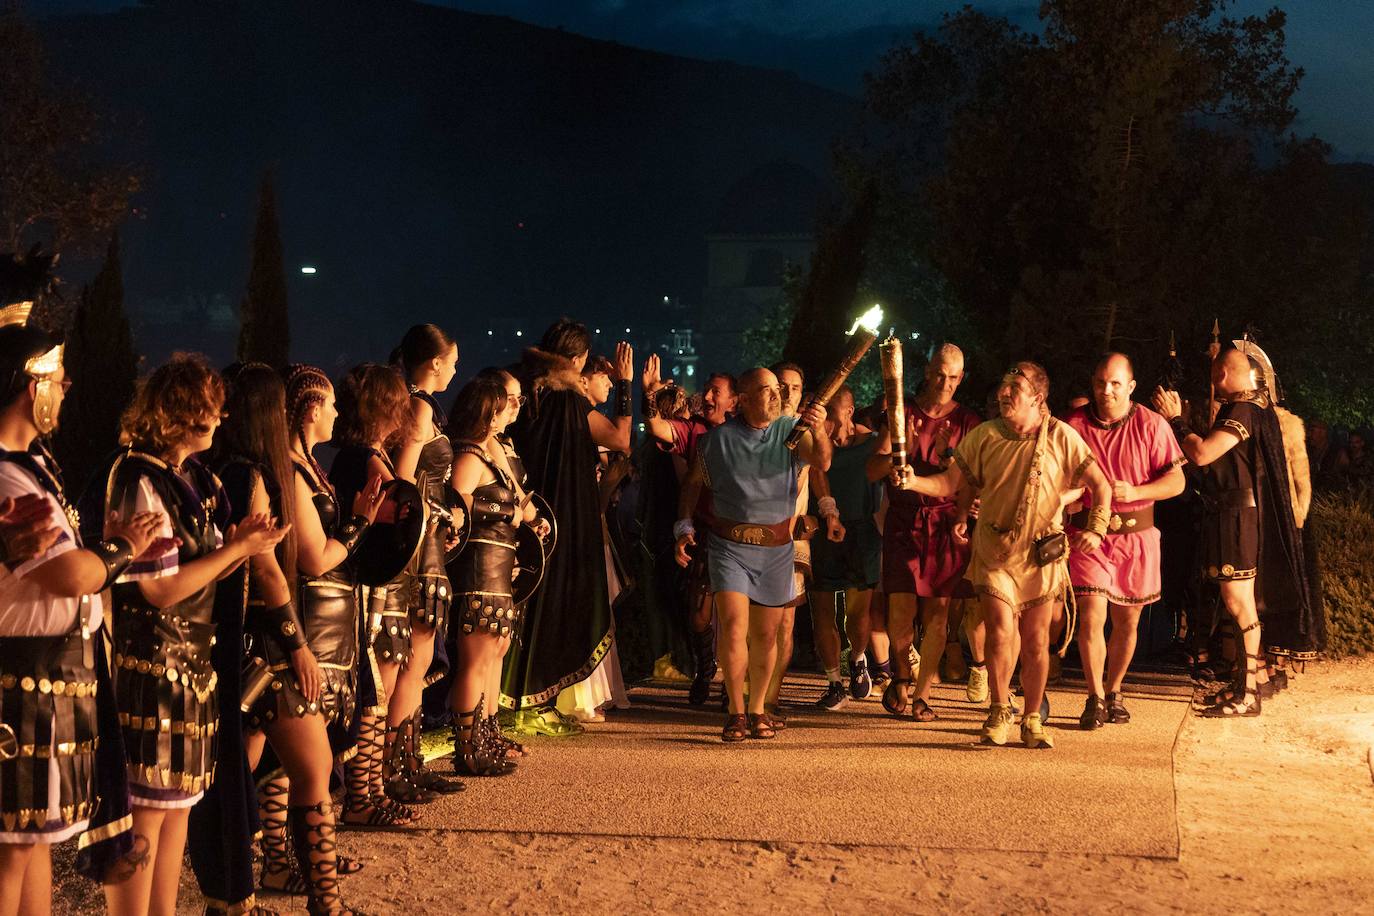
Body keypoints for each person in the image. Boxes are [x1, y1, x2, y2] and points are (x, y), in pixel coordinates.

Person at [101, 354, 288, 914]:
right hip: (151, 669)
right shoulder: (140, 478)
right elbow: (158, 589)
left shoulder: (192, 480)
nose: (220, 419)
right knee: (146, 816)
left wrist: (245, 548)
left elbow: (202, 574)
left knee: (178, 807)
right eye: (208, 411)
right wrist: (235, 550)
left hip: (192, 669)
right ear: (179, 415)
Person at [0, 303, 163, 916]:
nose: (66, 391)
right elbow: (73, 575)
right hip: (19, 686)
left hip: (51, 686)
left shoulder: (35, 469)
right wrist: (123, 547)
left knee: (32, 841)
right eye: (58, 379)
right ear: (30, 385)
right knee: (11, 848)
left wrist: (107, 553)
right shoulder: (8, 481)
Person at [214, 363, 376, 913]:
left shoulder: (229, 471)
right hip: (268, 647)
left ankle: (244, 893)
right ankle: (324, 903)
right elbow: (272, 569)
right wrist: (298, 646)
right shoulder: (256, 475)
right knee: (312, 771)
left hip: (242, 643)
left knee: (242, 778)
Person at [891, 361, 1111, 749]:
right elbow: (949, 482)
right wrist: (915, 482)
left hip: (1041, 555)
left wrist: (1096, 527)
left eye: (1015, 387)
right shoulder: (984, 436)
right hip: (994, 552)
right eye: (1004, 385)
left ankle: (1031, 718)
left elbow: (1100, 485)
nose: (1004, 393)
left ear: (1038, 398)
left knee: (1036, 640)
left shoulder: (1062, 437)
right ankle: (997, 709)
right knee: (998, 630)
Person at [1153, 345, 1320, 716]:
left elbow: (1204, 454)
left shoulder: (1244, 410)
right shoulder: (1244, 409)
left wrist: (1177, 421)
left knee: (1239, 602)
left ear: (1222, 375)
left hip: (1238, 518)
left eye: (1214, 373)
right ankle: (1242, 686)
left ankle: (1248, 694)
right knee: (1235, 602)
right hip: (1230, 515)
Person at [674, 368, 830, 741]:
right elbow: (693, 484)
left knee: (766, 635)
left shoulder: (790, 432)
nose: (775, 396)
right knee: (734, 627)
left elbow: (822, 462)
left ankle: (758, 708)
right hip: (729, 546)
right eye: (765, 390)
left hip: (776, 547)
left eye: (777, 389)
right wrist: (683, 527)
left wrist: (820, 429)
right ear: (742, 399)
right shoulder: (716, 441)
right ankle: (735, 712)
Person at [1063, 354, 1185, 729]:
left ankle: (1114, 690)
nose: (1106, 391)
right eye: (1100, 382)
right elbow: (1061, 480)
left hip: (1136, 538)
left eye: (1115, 384)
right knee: (1092, 617)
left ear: (1131, 386)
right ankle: (1094, 697)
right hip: (1089, 538)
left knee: (1127, 622)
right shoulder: (1073, 427)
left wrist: (1135, 490)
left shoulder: (1152, 424)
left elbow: (1176, 482)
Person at [504, 319, 612, 737]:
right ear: (579, 358)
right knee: (552, 605)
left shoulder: (528, 392)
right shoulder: (566, 401)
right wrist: (625, 387)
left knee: (528, 606)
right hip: (559, 518)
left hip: (531, 513)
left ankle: (522, 701)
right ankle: (535, 702)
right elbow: (620, 438)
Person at [329, 363, 423, 823]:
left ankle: (370, 791)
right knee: (370, 695)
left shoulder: (362, 454)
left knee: (374, 693)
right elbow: (390, 519)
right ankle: (362, 798)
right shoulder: (363, 458)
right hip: (358, 587)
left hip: (362, 585)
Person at [867, 344, 981, 722]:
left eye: (952, 377)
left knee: (938, 613)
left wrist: (949, 461)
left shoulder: (968, 421)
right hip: (904, 519)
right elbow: (872, 469)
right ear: (927, 369)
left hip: (946, 522)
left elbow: (968, 479)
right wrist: (904, 450)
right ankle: (901, 675)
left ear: (961, 378)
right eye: (938, 374)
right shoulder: (902, 412)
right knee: (900, 607)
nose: (944, 383)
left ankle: (923, 694)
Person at [447, 373, 549, 774]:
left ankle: (485, 735)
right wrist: (508, 512)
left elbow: (519, 499)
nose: (510, 411)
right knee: (476, 657)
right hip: (477, 568)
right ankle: (469, 748)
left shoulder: (492, 452)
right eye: (504, 404)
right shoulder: (469, 455)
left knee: (494, 652)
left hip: (499, 567)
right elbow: (459, 501)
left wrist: (528, 518)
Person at [388, 325, 464, 799]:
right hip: (419, 543)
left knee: (416, 658)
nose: (455, 369)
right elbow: (402, 478)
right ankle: (395, 767)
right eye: (452, 360)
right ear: (434, 362)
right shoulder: (417, 406)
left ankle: (407, 759)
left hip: (429, 536)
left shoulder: (420, 404)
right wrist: (440, 511)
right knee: (411, 659)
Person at [644, 364, 737, 705]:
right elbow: (655, 425)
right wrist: (651, 394)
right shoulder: (694, 431)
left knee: (734, 612)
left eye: (717, 391)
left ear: (735, 401)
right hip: (706, 533)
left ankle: (733, 682)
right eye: (707, 389)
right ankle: (705, 666)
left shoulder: (748, 432)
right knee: (699, 612)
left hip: (740, 534)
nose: (708, 396)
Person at [559, 346, 635, 723]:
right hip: (581, 526)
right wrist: (627, 383)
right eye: (603, 376)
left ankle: (596, 691)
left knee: (601, 606)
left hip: (593, 521)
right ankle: (577, 695)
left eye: (612, 376)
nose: (608, 381)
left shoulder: (581, 416)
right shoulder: (576, 412)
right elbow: (622, 438)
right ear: (583, 378)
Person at [808, 386, 881, 711]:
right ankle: (834, 682)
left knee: (857, 612)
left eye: (829, 408)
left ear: (849, 410)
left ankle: (860, 658)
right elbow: (815, 470)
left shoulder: (870, 442)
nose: (821, 414)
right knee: (822, 610)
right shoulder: (813, 441)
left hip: (861, 531)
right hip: (822, 530)